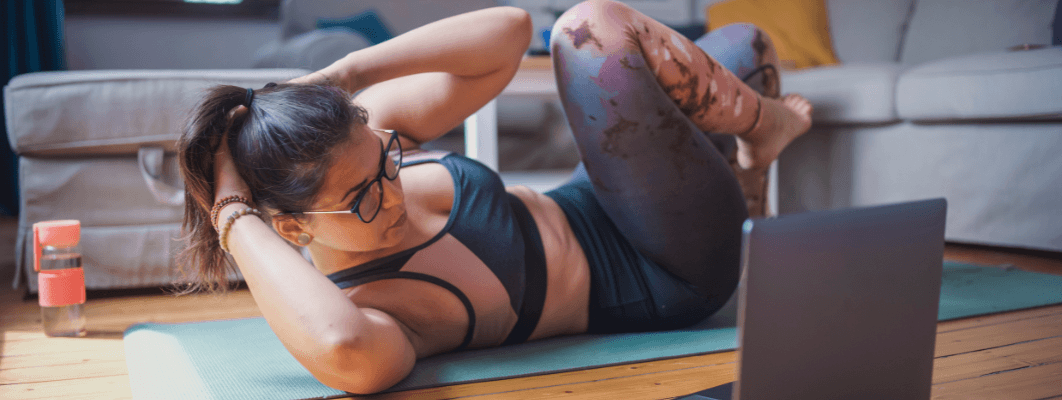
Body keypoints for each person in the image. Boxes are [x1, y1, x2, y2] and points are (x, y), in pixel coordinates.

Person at [176, 0, 811, 394]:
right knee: (592, 31)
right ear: (291, 229)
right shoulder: (374, 309)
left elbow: (506, 34)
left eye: (388, 165)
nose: (390, 195)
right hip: (667, 273)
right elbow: (343, 351)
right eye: (362, 201)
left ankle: (748, 170)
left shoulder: (358, 147)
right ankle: (762, 137)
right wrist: (231, 210)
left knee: (740, 51)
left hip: (607, 200)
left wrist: (346, 75)